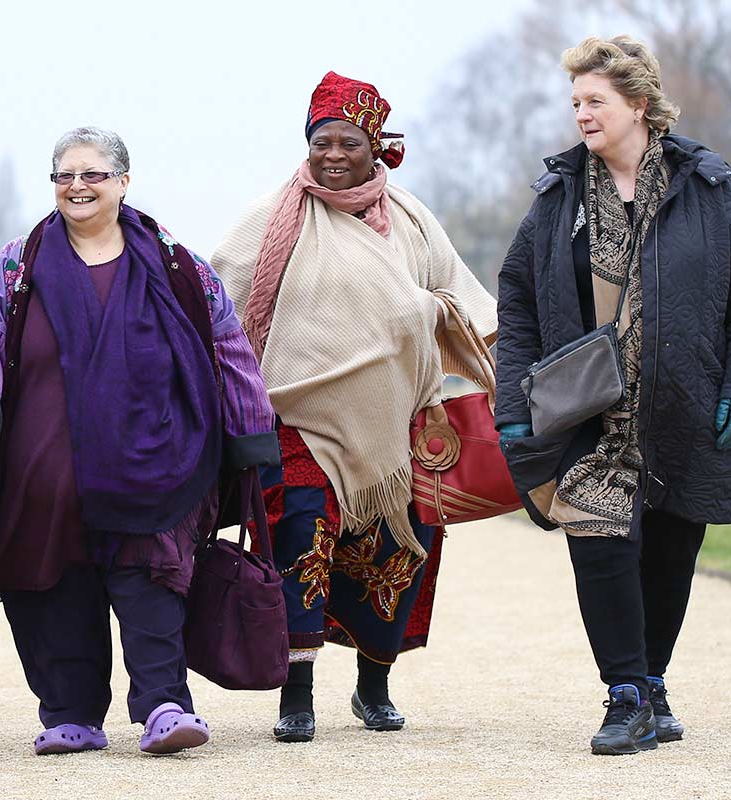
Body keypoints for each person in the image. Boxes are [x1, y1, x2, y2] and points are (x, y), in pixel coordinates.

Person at [0, 127, 279, 758]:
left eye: (93, 175)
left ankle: (165, 705)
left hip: (154, 459)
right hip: (42, 466)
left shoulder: (175, 263)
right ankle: (70, 712)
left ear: (123, 182)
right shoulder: (17, 265)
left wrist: (251, 427)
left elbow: (226, 340)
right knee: (52, 582)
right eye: (64, 176)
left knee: (151, 576)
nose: (77, 187)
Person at [493, 36, 731, 755]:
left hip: (686, 404)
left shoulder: (706, 190)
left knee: (671, 552)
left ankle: (651, 682)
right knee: (599, 539)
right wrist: (514, 405)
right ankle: (623, 693)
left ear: (639, 106)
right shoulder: (560, 198)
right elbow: (518, 297)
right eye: (576, 103)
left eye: (596, 102)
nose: (582, 114)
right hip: (586, 413)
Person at [211, 72, 497, 744]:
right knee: (302, 539)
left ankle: (374, 686)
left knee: (396, 548)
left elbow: (464, 298)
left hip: (396, 422)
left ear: (377, 147)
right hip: (300, 417)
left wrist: (426, 314)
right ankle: (297, 694)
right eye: (320, 142)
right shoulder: (272, 217)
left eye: (347, 142)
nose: (332, 154)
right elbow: (219, 288)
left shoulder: (413, 218)